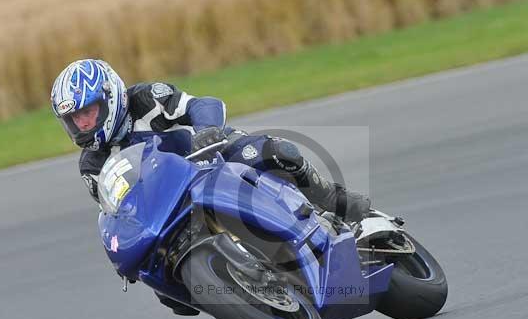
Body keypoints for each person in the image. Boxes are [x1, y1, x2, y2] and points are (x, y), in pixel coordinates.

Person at [51, 58, 371, 223]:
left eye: (88, 111)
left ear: (110, 97)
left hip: (213, 158)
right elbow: (117, 211)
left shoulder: (146, 99)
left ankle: (332, 200)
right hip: (174, 208)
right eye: (74, 118)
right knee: (160, 284)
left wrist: (206, 131)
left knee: (275, 151)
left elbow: (202, 104)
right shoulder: (92, 166)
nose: (82, 122)